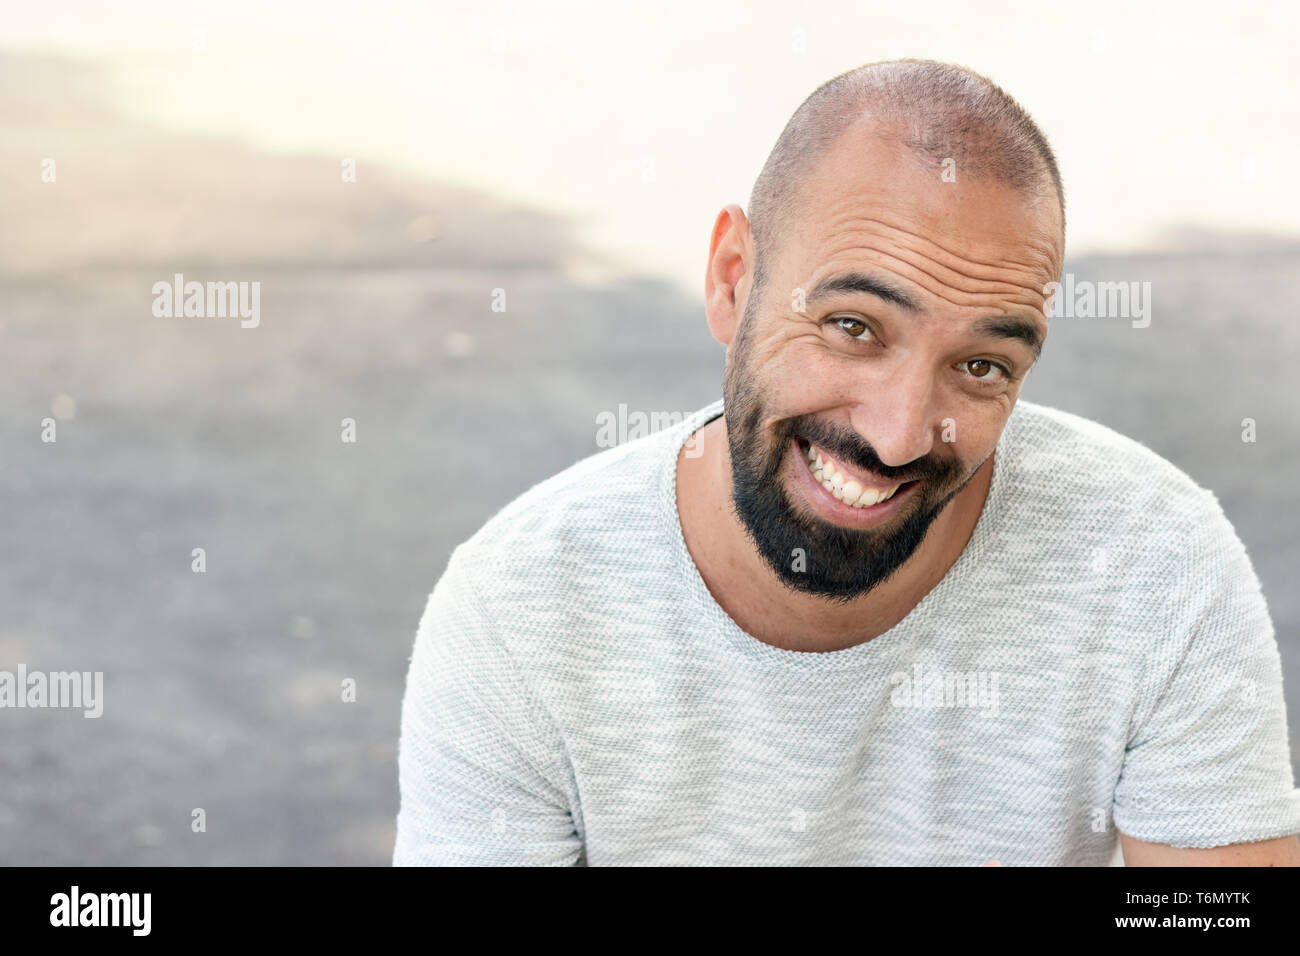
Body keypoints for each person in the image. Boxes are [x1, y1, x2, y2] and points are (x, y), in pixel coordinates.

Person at [393, 59, 1300, 865]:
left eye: (981, 366)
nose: (904, 434)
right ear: (732, 279)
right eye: (853, 327)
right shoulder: (519, 617)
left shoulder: (1154, 564)